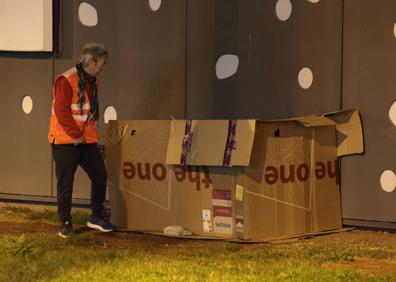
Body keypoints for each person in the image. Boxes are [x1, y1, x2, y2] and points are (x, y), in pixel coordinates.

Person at [48, 42, 116, 237]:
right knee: (65, 184)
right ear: (92, 62)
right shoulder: (66, 80)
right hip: (64, 141)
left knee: (100, 175)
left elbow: (88, 113)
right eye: (102, 63)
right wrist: (75, 135)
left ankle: (96, 216)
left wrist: (88, 137)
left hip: (85, 141)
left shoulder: (92, 82)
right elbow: (62, 112)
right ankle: (65, 223)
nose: (104, 67)